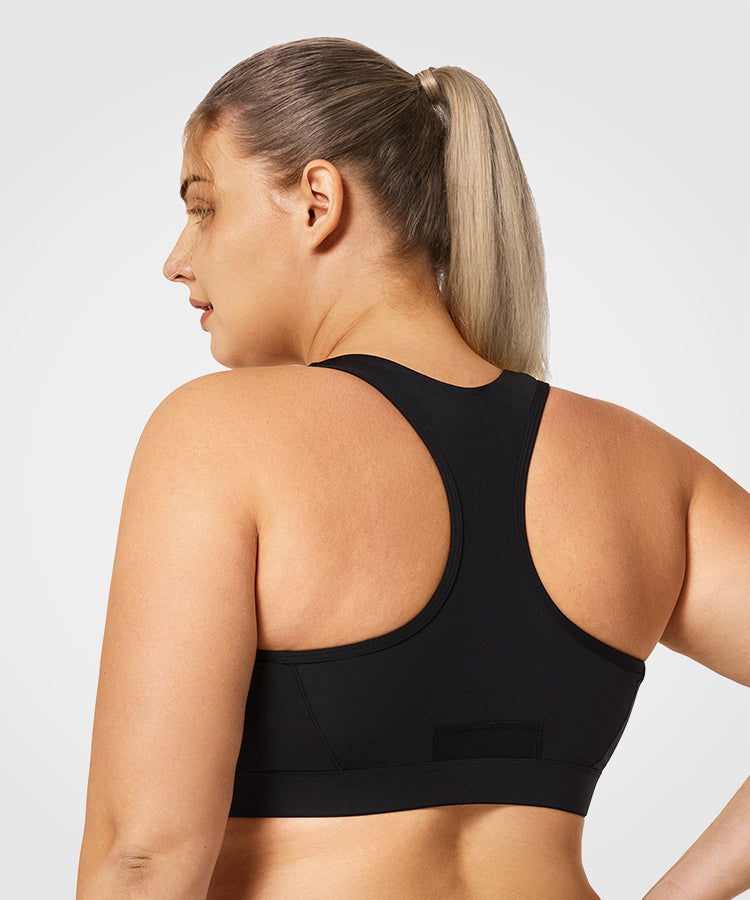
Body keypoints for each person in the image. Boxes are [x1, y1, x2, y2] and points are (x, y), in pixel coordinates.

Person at [76, 37, 750, 899]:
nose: (178, 258)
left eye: (204, 207)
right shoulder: (642, 468)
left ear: (317, 202)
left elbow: (142, 859)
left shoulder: (217, 434)